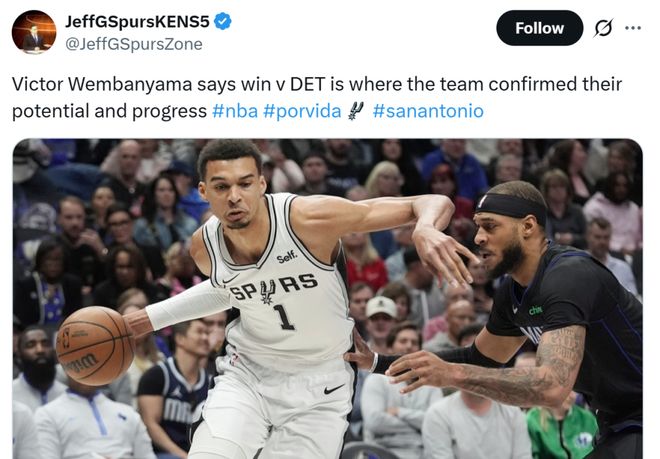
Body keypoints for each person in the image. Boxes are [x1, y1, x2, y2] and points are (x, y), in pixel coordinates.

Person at [123, 139, 475, 459]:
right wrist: (143, 320)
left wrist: (425, 227)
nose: (234, 196)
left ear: (262, 184)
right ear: (203, 191)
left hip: (321, 384)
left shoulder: (308, 218)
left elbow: (431, 201)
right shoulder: (204, 248)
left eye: (245, 183)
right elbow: (228, 287)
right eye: (221, 186)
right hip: (248, 375)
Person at [348, 180, 642, 458]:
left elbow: (551, 386)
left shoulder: (568, 276)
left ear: (528, 226)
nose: (478, 238)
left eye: (490, 226)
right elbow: (479, 359)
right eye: (478, 227)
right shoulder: (512, 292)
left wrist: (452, 374)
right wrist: (377, 361)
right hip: (618, 420)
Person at [421, 324, 532, 459]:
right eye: (469, 357)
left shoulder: (513, 413)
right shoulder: (438, 414)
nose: (475, 365)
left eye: (483, 357)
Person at [361, 321, 444, 459]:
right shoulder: (376, 380)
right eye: (403, 341)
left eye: (414, 342)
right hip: (382, 452)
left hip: (422, 453)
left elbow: (438, 424)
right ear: (390, 348)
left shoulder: (431, 384)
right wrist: (419, 428)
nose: (409, 346)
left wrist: (399, 412)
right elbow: (374, 421)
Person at [138, 319, 210, 459]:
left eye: (207, 333)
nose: (206, 338)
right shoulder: (157, 375)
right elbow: (150, 424)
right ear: (180, 338)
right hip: (161, 454)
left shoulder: (211, 382)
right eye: (200, 332)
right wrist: (184, 456)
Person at [35, 376, 156, 459]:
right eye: (80, 363)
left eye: (90, 362)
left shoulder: (128, 413)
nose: (85, 370)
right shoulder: (47, 414)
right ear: (66, 368)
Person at [526, 391, 598, 459]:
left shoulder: (586, 418)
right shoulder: (533, 420)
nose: (572, 396)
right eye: (567, 390)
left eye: (574, 391)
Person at [13, 326, 67, 412]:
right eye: (31, 345)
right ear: (19, 352)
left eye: (45, 344)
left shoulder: (66, 393)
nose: (40, 350)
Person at [585, 217, 638, 296]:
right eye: (597, 237)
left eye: (606, 237)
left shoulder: (623, 268)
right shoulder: (577, 265)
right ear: (587, 237)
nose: (602, 242)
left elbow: (633, 298)